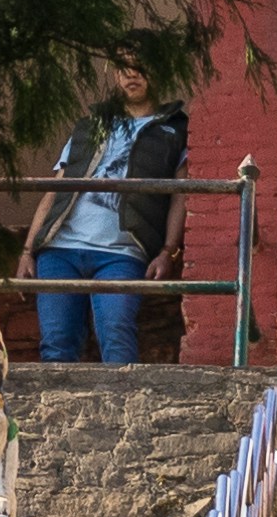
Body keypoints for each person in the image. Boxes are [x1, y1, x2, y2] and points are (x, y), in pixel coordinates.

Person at [33, 79, 190, 364]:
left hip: (122, 251)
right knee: (56, 343)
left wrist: (168, 250)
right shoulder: (91, 125)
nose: (131, 74)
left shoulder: (175, 130)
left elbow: (180, 195)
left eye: (139, 66)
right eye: (123, 66)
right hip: (60, 248)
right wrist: (28, 249)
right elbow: (56, 187)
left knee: (117, 334)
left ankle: (122, 407)